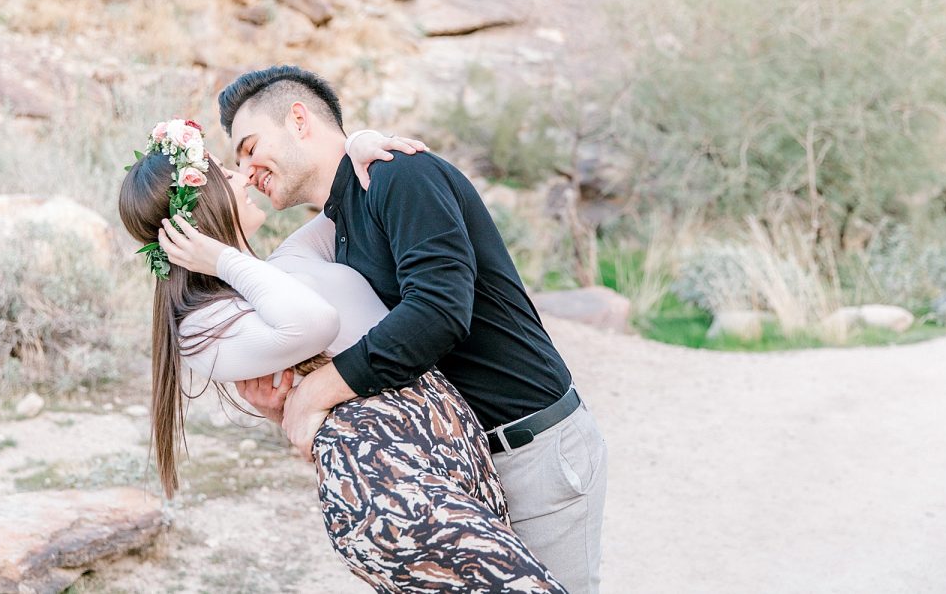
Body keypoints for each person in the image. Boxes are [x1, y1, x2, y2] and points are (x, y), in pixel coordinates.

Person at [118, 118, 565, 593]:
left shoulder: (284, 265)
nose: (243, 176)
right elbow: (314, 323)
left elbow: (348, 192)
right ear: (197, 210)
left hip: (450, 447)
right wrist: (222, 259)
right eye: (223, 174)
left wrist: (358, 142)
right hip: (383, 477)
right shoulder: (201, 327)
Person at [216, 65, 609, 593]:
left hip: (532, 449)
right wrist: (286, 401)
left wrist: (314, 394)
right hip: (457, 468)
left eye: (249, 146)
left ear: (299, 119)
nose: (246, 169)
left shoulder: (401, 176)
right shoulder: (336, 224)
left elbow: (439, 310)